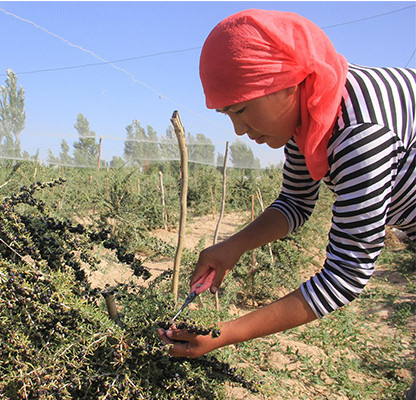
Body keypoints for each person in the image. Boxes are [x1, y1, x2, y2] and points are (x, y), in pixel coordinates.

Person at [157, 8, 415, 397]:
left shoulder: (360, 133)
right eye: (228, 114)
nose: (239, 130)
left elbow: (345, 276)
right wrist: (233, 247)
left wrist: (225, 333)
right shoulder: (312, 112)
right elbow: (296, 202)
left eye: (241, 109)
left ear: (289, 82)